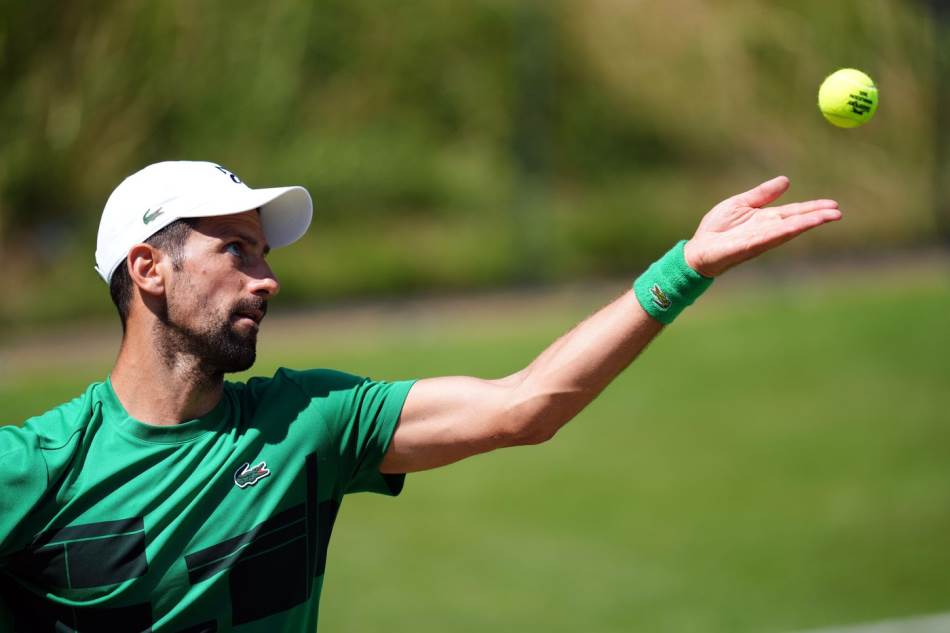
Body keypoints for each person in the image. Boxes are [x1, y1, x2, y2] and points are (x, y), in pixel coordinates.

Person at [0, 160, 841, 632]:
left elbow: (525, 404)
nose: (267, 279)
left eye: (265, 255)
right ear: (149, 268)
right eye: (237, 251)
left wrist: (683, 268)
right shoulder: (36, 469)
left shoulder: (307, 423)